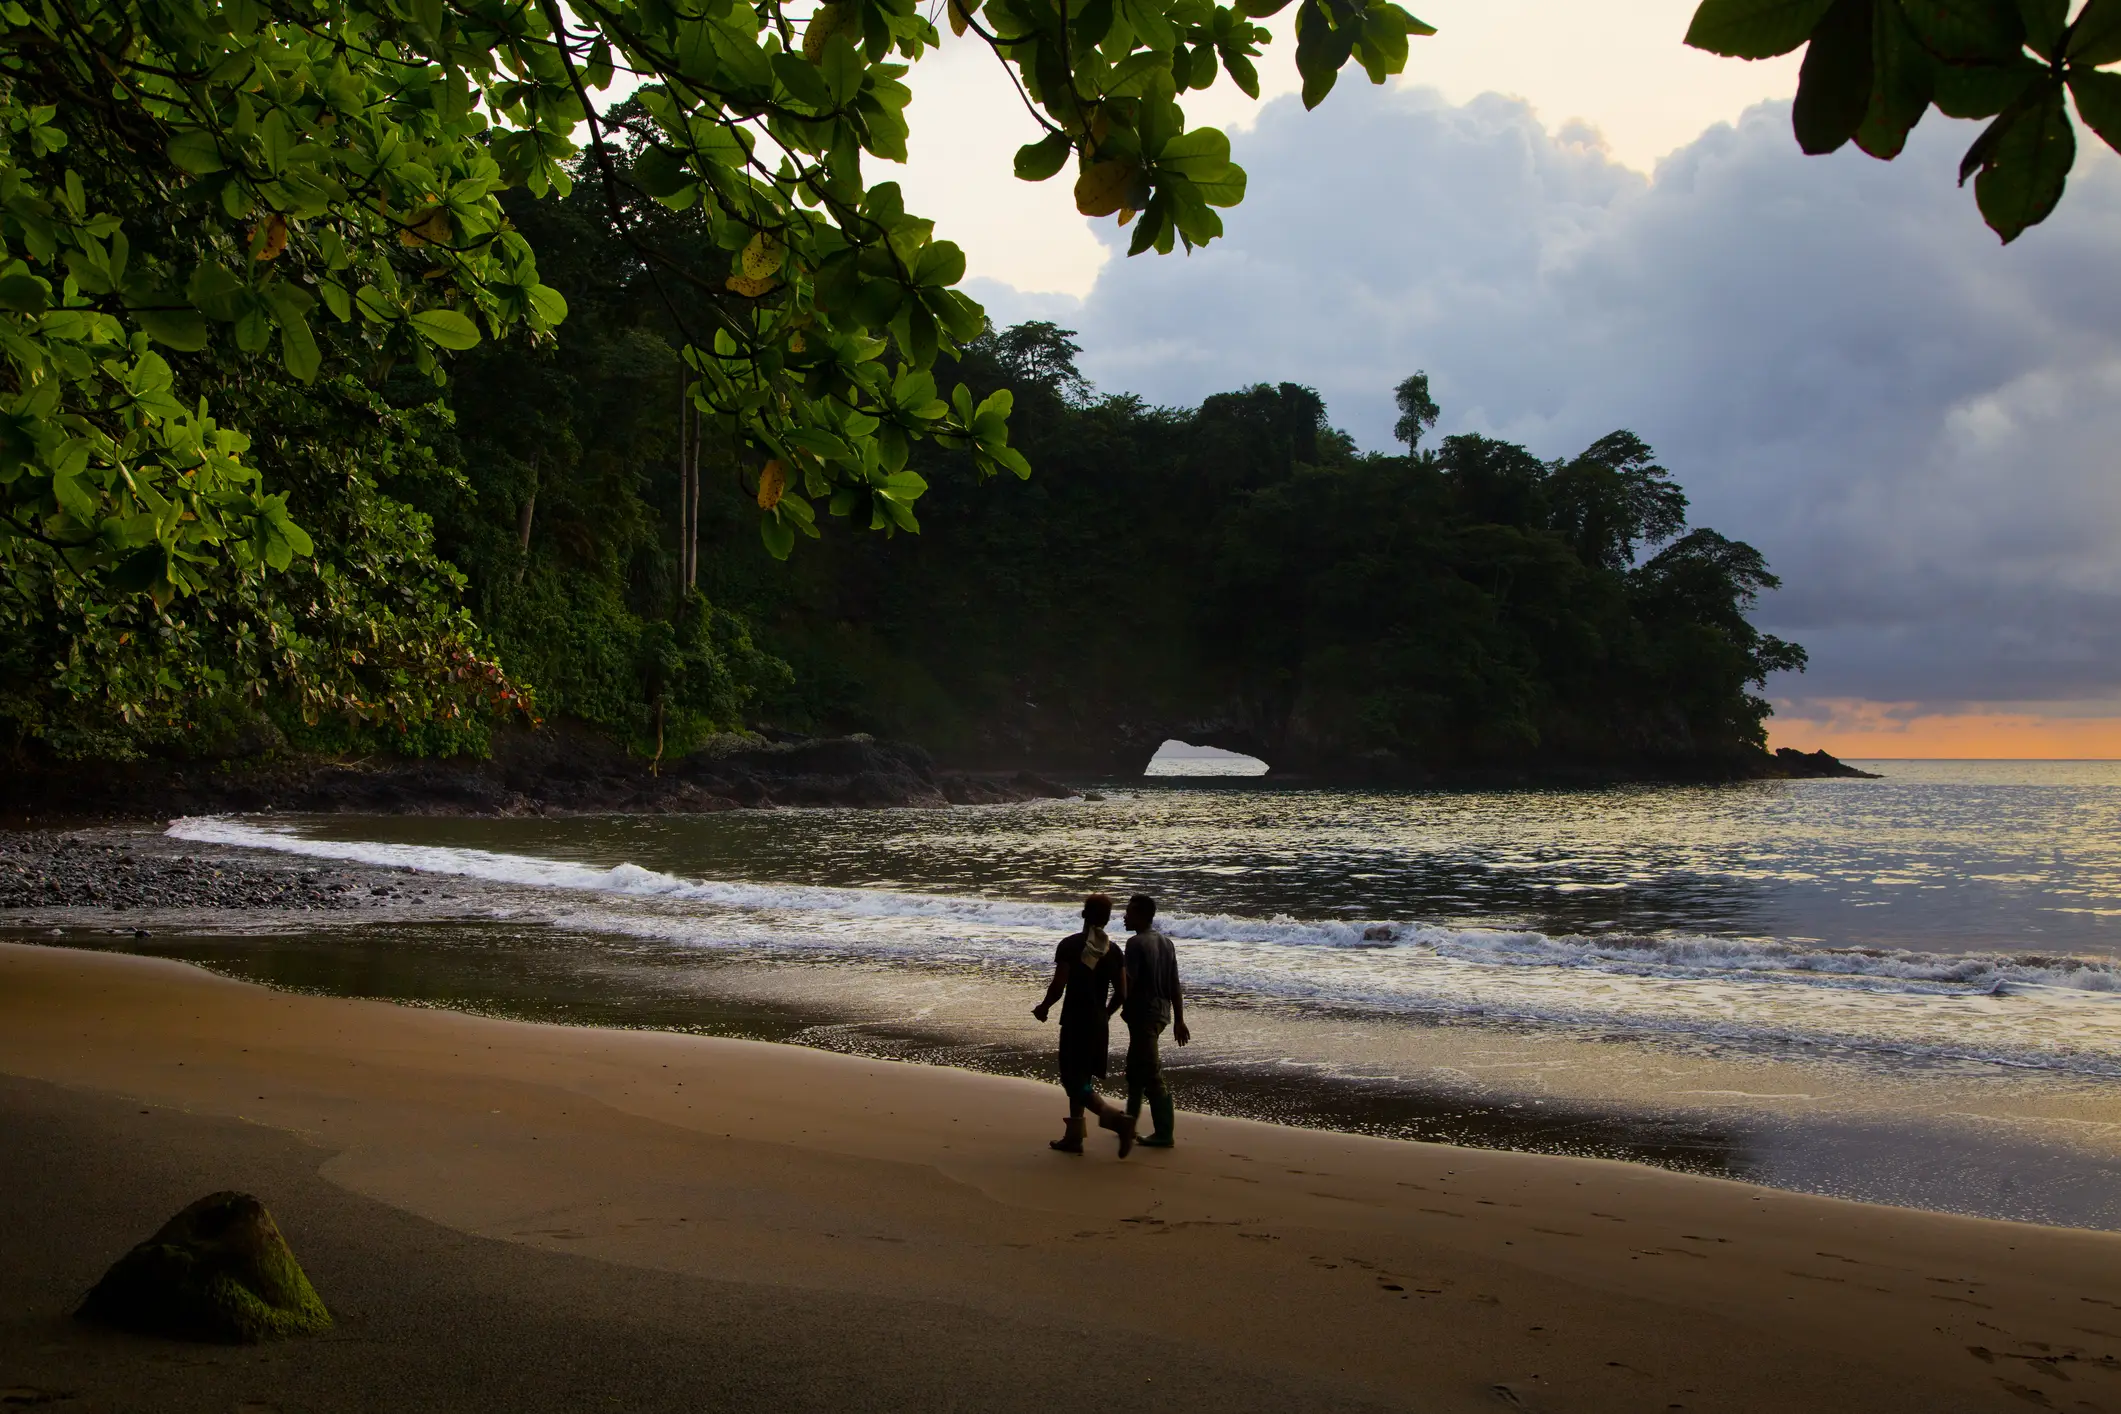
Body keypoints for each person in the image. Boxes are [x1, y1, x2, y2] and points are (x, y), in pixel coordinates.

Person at [1032, 893, 1136, 1157]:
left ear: (1083, 915)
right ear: (1107, 919)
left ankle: (1116, 1120)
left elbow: (1059, 985)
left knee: (1072, 1080)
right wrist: (1106, 1014)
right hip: (1098, 1023)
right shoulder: (1113, 951)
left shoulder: (1070, 946)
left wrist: (1044, 1007)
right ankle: (1074, 1136)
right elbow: (1123, 993)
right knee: (1083, 1078)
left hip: (1075, 1021)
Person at [1121, 894, 1189, 1148]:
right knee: (1135, 1069)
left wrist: (1109, 1009)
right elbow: (1174, 984)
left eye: (1128, 912)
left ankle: (1164, 1132)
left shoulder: (1136, 943)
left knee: (1150, 1072)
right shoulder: (1166, 942)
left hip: (1144, 1014)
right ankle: (1128, 1123)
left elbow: (1129, 983)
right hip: (1162, 1013)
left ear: (1140, 915)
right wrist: (1179, 1020)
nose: (1124, 917)